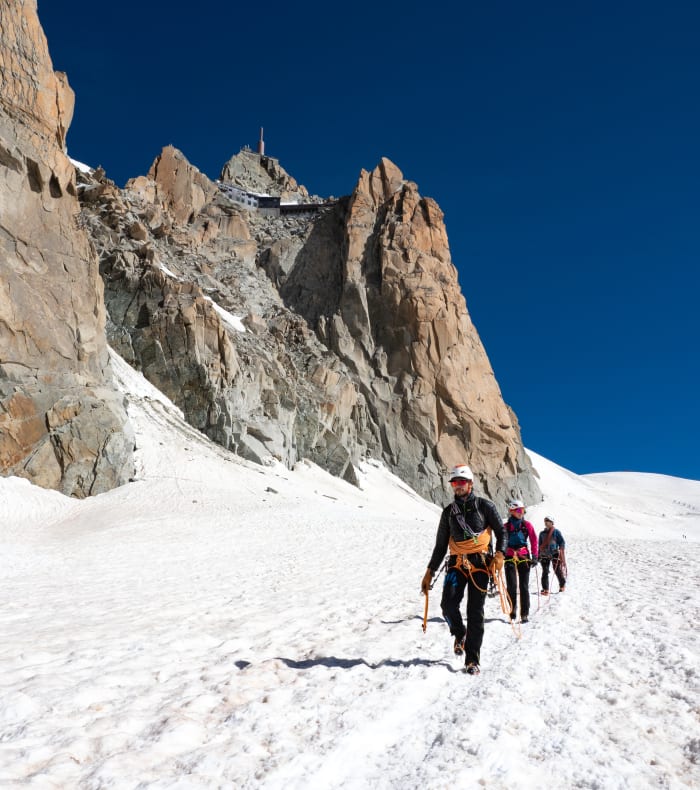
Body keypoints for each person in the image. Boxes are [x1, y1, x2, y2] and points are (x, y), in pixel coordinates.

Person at [420, 464, 506, 675]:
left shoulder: (485, 506)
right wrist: (430, 570)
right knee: (447, 605)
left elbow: (501, 532)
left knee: (475, 612)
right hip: (457, 563)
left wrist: (500, 554)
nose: (458, 486)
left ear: (470, 483)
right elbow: (441, 545)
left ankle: (472, 660)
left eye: (462, 482)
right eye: (455, 483)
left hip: (481, 564)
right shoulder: (448, 513)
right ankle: (460, 633)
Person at [504, 499, 538, 623]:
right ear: (511, 511)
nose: (521, 513)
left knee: (524, 586)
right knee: (511, 586)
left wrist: (535, 556)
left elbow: (534, 540)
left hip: (524, 556)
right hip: (509, 556)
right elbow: (501, 542)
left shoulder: (527, 525)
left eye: (522, 510)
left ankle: (524, 614)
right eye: (519, 510)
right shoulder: (505, 527)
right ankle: (512, 612)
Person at [539, 516, 567, 594]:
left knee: (557, 570)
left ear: (552, 522)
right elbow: (540, 545)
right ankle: (545, 589)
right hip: (544, 554)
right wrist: (538, 555)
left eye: (548, 521)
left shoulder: (556, 532)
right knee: (545, 571)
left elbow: (561, 542)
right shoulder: (541, 533)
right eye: (545, 521)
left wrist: (561, 548)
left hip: (554, 553)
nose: (546, 522)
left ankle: (562, 585)